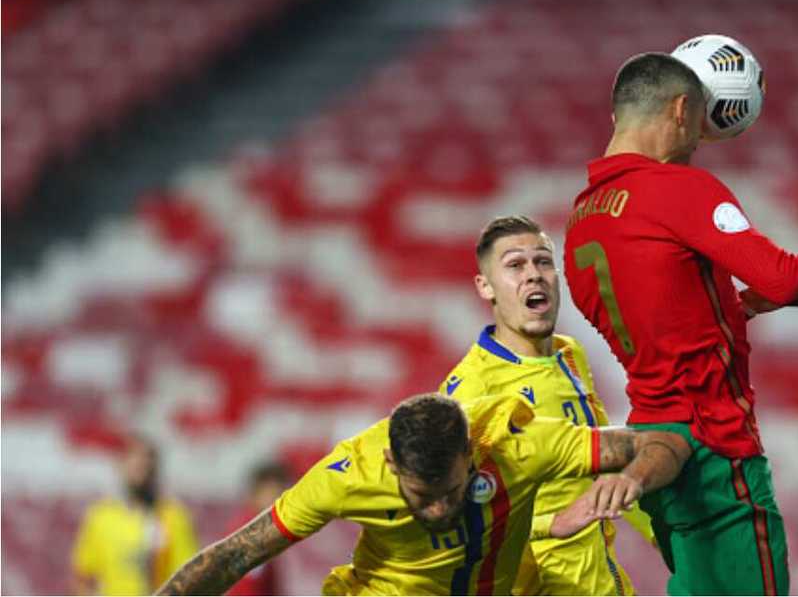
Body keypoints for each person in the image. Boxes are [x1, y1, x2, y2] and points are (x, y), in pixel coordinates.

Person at [562, 52, 798, 596]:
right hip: (717, 453)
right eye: (699, 123)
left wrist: (733, 308)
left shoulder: (581, 220)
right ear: (680, 109)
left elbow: (657, 324)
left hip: (656, 439)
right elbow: (785, 277)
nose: (700, 140)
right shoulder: (679, 189)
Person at [156, 392, 691, 595]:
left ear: (471, 456)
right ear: (391, 462)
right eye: (422, 495)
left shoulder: (519, 447)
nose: (438, 509)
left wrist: (632, 479)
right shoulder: (345, 477)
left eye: (451, 490)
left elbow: (664, 443)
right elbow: (235, 554)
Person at [441, 214, 655, 595]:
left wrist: (659, 535)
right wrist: (550, 525)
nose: (533, 274)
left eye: (542, 261)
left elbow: (608, 467)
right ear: (486, 287)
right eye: (515, 265)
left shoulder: (569, 354)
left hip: (600, 579)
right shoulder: (472, 390)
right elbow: (446, 513)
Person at [71, 435, 199, 595]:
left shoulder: (172, 515)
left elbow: (190, 575)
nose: (141, 469)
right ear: (120, 466)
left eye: (146, 464)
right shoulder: (101, 516)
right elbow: (84, 577)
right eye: (135, 463)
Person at [225, 462, 291, 596]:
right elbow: (246, 587)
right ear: (254, 494)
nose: (275, 501)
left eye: (279, 495)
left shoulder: (267, 529)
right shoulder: (251, 533)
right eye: (270, 494)